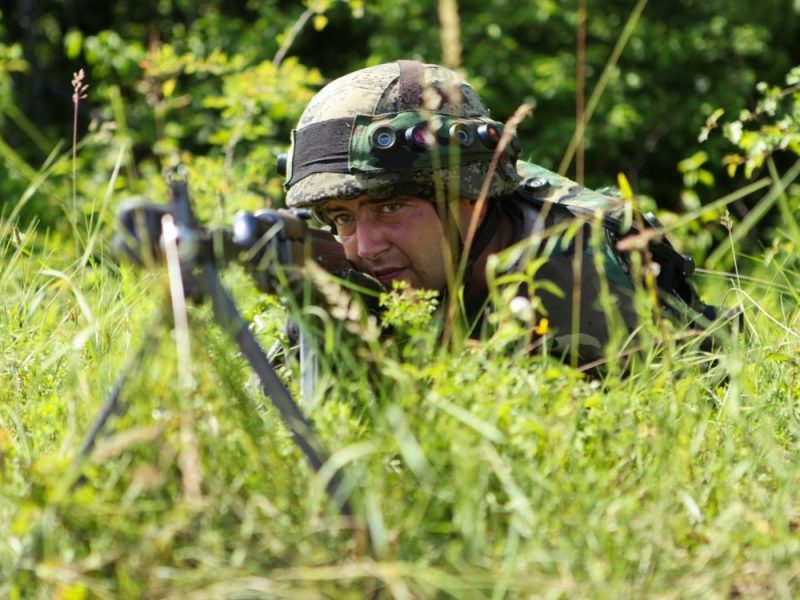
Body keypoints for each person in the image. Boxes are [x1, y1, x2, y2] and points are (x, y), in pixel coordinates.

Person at [278, 60, 720, 366]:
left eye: (391, 207)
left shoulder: (573, 277)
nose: (365, 247)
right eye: (342, 218)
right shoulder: (373, 275)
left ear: (473, 197)